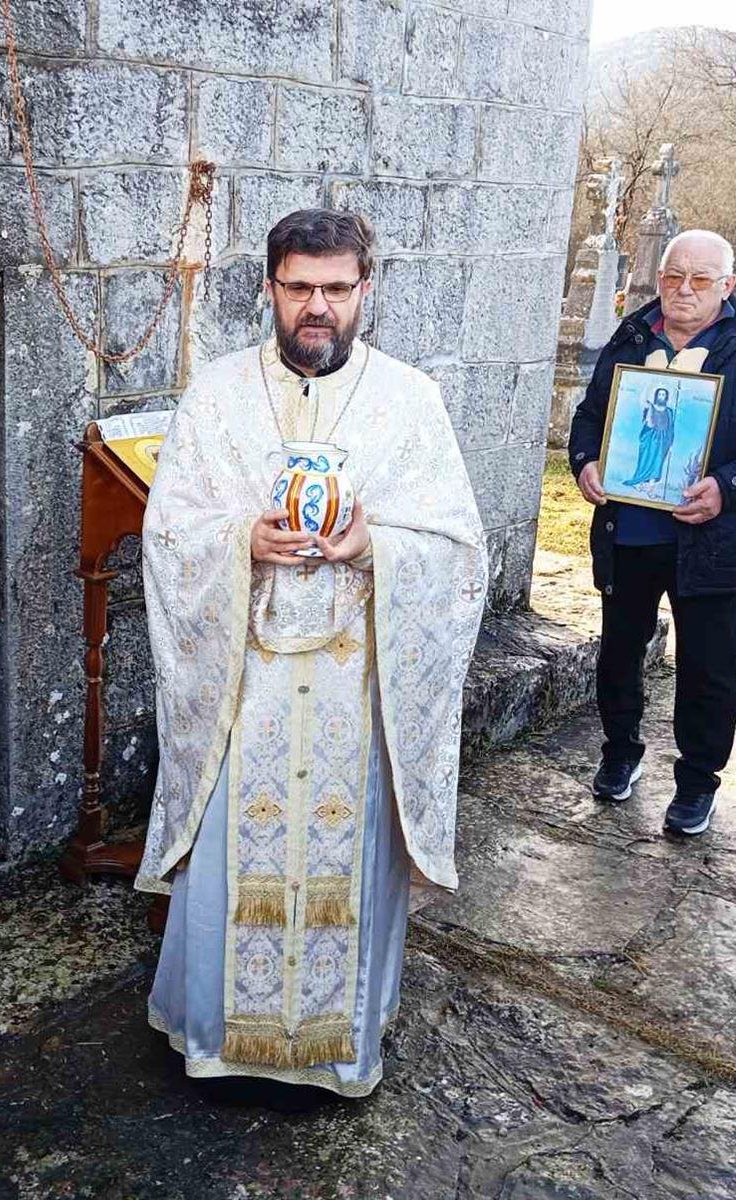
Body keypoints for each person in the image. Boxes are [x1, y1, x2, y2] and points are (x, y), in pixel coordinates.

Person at [136, 209, 487, 1096]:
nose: (317, 307)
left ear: (365, 290)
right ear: (270, 288)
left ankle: (335, 1052)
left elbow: (458, 550)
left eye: (336, 288)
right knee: (230, 856)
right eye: (299, 288)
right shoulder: (216, 394)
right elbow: (169, 529)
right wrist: (240, 541)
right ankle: (218, 1039)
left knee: (348, 860)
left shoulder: (411, 400)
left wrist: (376, 548)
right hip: (244, 686)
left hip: (353, 689)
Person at [568, 229, 736, 835]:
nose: (684, 289)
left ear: (727, 286)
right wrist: (585, 462)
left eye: (700, 279)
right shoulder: (633, 334)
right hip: (630, 531)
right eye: (673, 276)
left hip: (715, 538)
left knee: (708, 667)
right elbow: (592, 415)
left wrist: (729, 485)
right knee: (620, 652)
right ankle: (619, 751)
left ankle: (698, 781)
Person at [624, 387, 675, 491]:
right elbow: (647, 423)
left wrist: (670, 443)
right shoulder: (650, 408)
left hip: (663, 441)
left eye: (663, 395)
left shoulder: (669, 411)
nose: (661, 397)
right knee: (645, 460)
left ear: (666, 397)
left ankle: (651, 486)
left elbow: (670, 428)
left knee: (658, 462)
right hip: (650, 439)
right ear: (656, 396)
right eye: (659, 394)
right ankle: (639, 482)